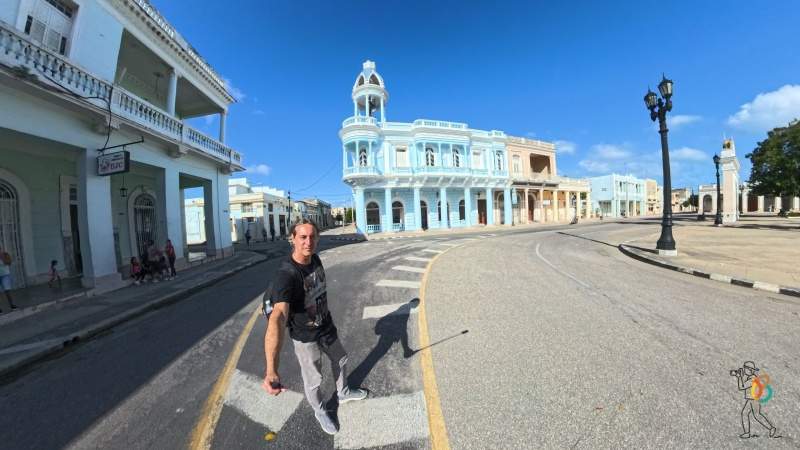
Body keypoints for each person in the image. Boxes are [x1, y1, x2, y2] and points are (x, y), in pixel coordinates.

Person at [262, 219, 367, 435]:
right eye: (302, 237)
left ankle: (343, 393)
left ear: (317, 238)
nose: (308, 242)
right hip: (305, 337)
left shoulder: (315, 259)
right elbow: (278, 317)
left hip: (325, 326)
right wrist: (271, 369)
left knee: (341, 359)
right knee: (313, 380)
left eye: (312, 237)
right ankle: (320, 411)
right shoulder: (287, 275)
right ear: (292, 239)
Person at [734, 361, 779, 438]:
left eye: (745, 369)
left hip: (753, 399)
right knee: (746, 413)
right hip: (751, 398)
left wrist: (739, 377)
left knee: (756, 415)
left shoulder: (753, 379)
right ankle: (747, 432)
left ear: (750, 370)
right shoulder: (751, 377)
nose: (744, 370)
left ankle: (771, 428)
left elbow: (741, 387)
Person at [0, 248, 18, 312]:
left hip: (5, 275)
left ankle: (12, 305)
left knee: (7, 291)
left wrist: (2, 258)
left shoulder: (5, 254)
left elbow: (9, 262)